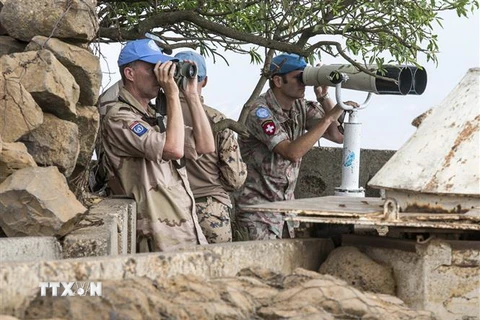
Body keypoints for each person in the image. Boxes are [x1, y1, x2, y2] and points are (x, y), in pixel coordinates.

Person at [100, 39, 215, 252]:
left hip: (185, 230)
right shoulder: (119, 118)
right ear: (130, 74)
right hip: (159, 237)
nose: (159, 74)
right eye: (152, 68)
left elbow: (205, 145)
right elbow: (173, 149)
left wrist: (190, 94)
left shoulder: (152, 116)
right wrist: (171, 93)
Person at [234, 53, 358, 241]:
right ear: (278, 80)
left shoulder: (300, 107)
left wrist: (324, 97)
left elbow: (337, 135)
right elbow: (292, 152)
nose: (304, 83)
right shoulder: (260, 112)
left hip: (285, 213)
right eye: (298, 78)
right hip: (257, 213)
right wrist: (328, 117)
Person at [174, 51, 247, 243]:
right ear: (204, 81)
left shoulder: (157, 115)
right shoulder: (216, 119)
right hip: (210, 209)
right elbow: (235, 179)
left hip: (171, 208)